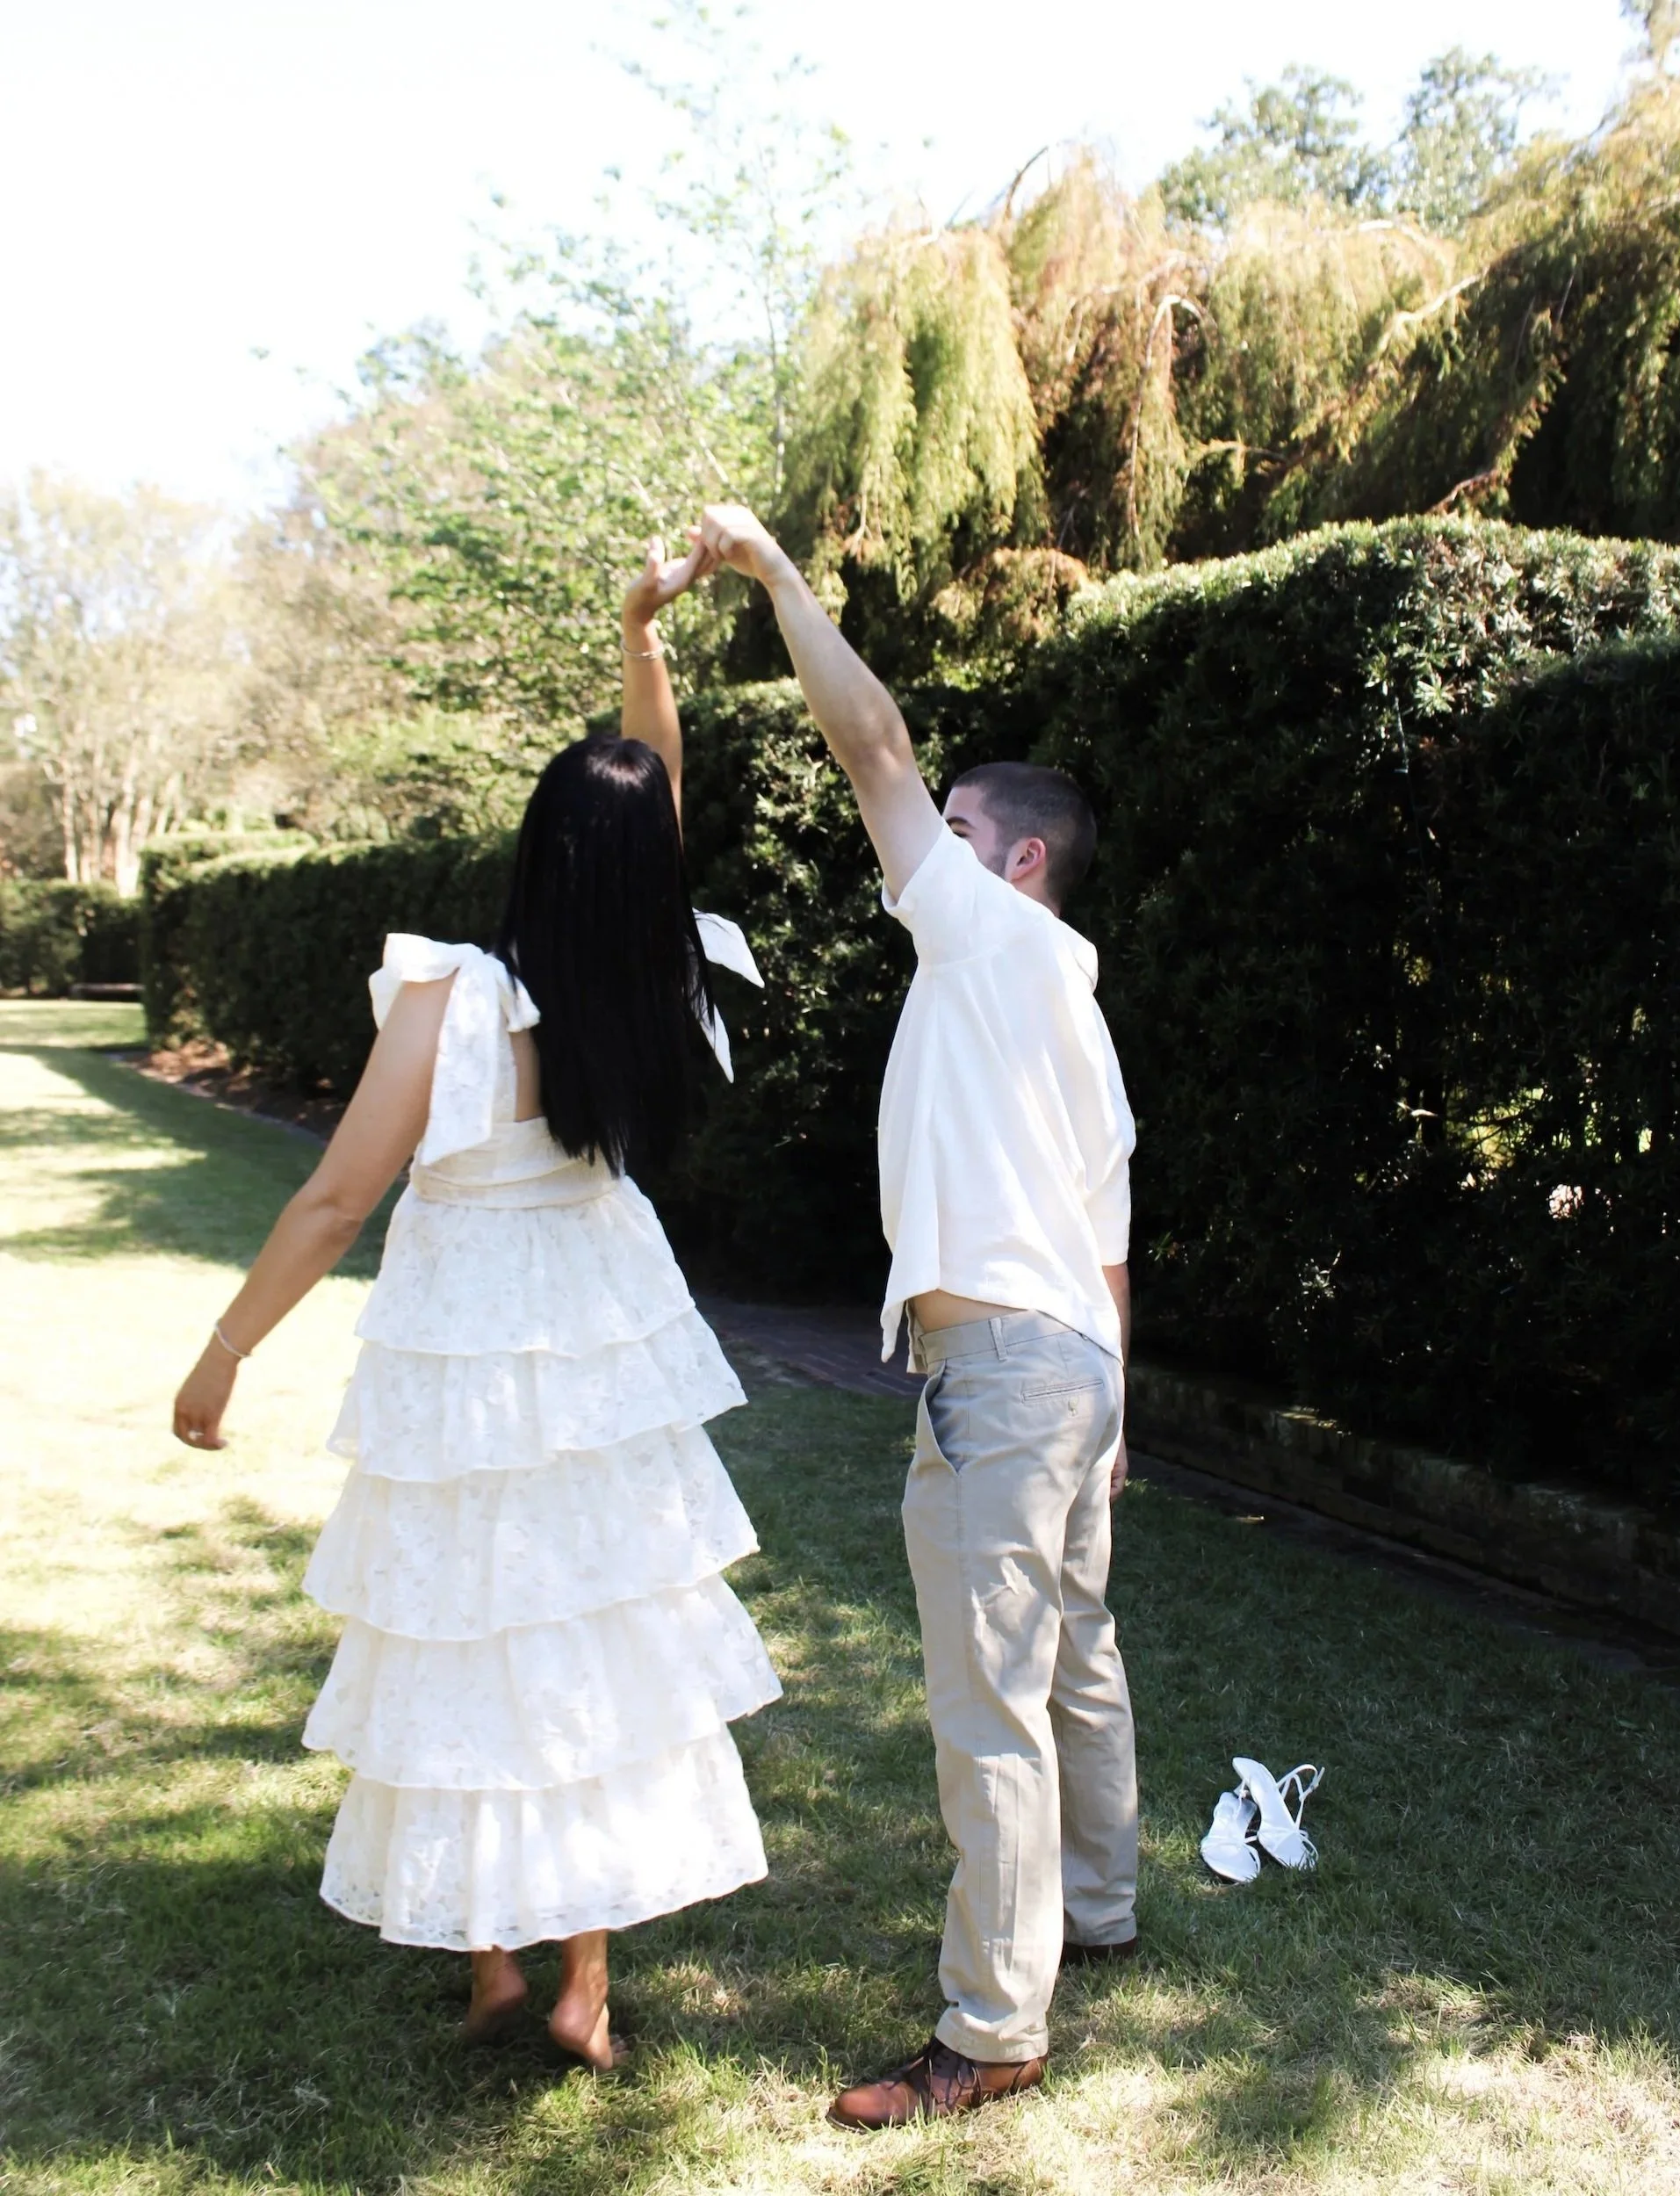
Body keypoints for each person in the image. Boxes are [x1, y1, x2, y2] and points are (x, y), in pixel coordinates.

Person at [170, 538, 779, 2066]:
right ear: (648, 878)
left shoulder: (451, 997)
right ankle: (583, 1980)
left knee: (468, 1628)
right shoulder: (665, 981)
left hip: (465, 1347)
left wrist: (226, 1348)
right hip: (599, 1343)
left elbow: (332, 1200)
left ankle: (496, 1967)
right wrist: (641, 636)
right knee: (593, 1629)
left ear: (533, 853)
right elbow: (665, 797)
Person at [693, 503, 1138, 2127]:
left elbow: (868, 739)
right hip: (1067, 1365)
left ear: (1014, 858)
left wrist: (772, 573)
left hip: (1003, 1371)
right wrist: (1114, 1426)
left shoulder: (988, 935)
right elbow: (1110, 1256)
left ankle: (993, 2028)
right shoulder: (1069, 1015)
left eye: (958, 827)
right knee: (1075, 1652)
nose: (924, 845)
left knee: (988, 1701)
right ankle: (1096, 1907)